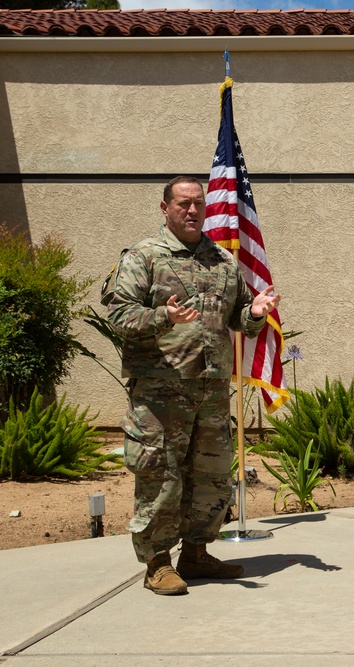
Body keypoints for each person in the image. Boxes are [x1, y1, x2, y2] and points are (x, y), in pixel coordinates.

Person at [102, 176, 280, 595]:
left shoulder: (221, 261)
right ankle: (158, 564)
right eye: (182, 203)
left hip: (212, 391)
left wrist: (254, 312)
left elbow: (237, 317)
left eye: (198, 203)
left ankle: (197, 553)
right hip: (160, 393)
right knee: (160, 476)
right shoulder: (144, 257)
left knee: (211, 475)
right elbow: (118, 314)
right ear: (165, 208)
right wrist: (163, 316)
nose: (192, 210)